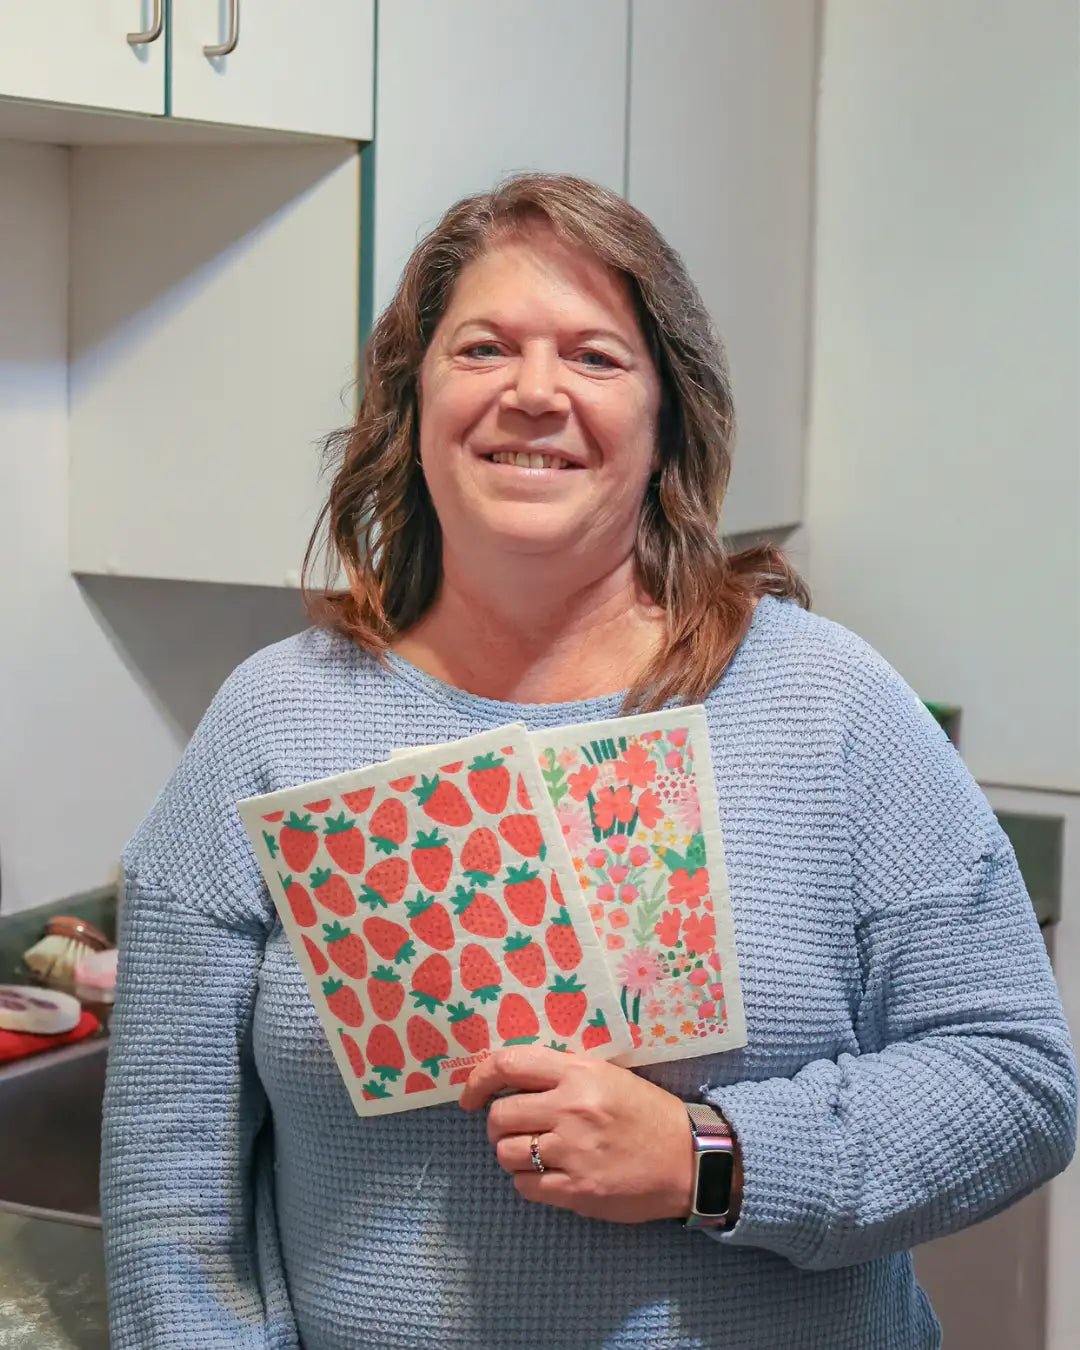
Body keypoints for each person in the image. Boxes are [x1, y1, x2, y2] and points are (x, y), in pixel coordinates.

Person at [101, 173, 1077, 1349]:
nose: (534, 394)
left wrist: (706, 1157)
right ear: (409, 403)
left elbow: (1018, 1081)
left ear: (668, 416)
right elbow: (170, 1201)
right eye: (484, 347)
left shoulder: (829, 707)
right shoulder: (271, 723)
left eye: (596, 358)